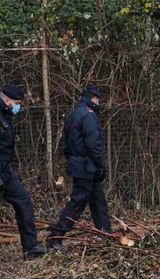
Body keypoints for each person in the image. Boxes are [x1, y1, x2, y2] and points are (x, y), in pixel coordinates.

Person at [0, 84, 47, 262]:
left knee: (23, 200)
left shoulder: (3, 115)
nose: (18, 106)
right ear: (6, 100)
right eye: (17, 102)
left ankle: (30, 247)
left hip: (4, 170)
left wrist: (5, 172)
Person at [45, 86, 111, 252]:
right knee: (78, 202)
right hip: (87, 167)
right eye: (96, 99)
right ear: (91, 99)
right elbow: (94, 144)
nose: (98, 103)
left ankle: (107, 236)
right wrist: (100, 165)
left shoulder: (73, 115)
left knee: (98, 202)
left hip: (80, 164)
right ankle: (55, 237)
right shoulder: (88, 115)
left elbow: (67, 145)